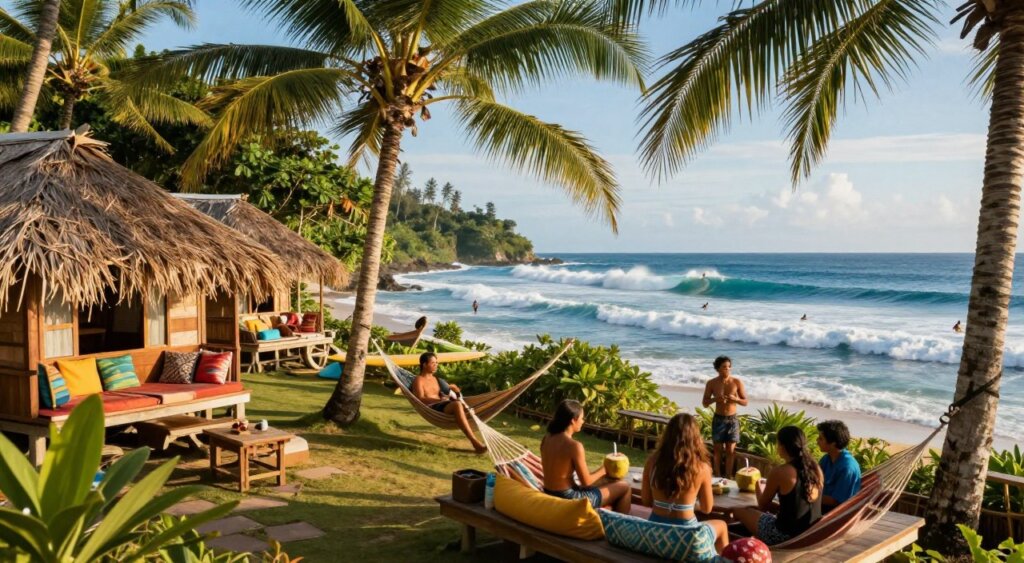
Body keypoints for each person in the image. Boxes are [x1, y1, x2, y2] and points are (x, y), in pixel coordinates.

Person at [642, 413, 729, 554]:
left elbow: (646, 501)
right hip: (686, 537)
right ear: (696, 438)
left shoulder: (652, 463)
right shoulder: (702, 468)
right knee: (722, 525)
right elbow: (707, 508)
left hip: (655, 533)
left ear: (667, 435)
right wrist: (688, 504)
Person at [733, 426, 823, 545]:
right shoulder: (816, 469)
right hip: (810, 533)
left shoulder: (780, 471)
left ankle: (743, 546)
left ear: (782, 446)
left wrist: (758, 486)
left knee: (739, 510)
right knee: (759, 513)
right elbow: (797, 506)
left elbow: (762, 506)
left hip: (784, 536)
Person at [540, 400, 631, 513]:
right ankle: (618, 522)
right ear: (573, 420)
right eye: (582, 418)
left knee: (608, 481)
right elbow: (586, 482)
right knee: (624, 487)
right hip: (569, 498)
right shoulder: (574, 446)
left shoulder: (547, 439)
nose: (583, 421)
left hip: (549, 492)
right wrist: (605, 468)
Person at [410, 352, 487, 454]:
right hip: (432, 407)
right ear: (424, 364)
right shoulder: (419, 380)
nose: (436, 365)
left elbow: (448, 391)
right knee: (457, 405)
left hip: (443, 404)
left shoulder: (436, 379)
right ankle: (475, 442)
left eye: (436, 363)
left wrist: (453, 393)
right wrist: (440, 400)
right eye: (433, 363)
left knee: (466, 405)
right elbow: (420, 398)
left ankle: (479, 439)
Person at [702, 356, 747, 477]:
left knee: (730, 451)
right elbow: (705, 403)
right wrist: (715, 399)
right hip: (719, 419)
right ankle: (717, 475)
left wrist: (736, 399)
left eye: (729, 367)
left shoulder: (736, 382)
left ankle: (728, 476)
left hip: (732, 419)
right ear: (718, 368)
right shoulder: (711, 383)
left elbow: (745, 402)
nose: (727, 369)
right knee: (717, 450)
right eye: (724, 367)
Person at [816, 420, 862, 512]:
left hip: (835, 512)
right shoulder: (827, 458)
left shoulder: (847, 468)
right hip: (821, 504)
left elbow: (836, 501)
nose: (817, 441)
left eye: (821, 439)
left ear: (833, 443)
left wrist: (809, 497)